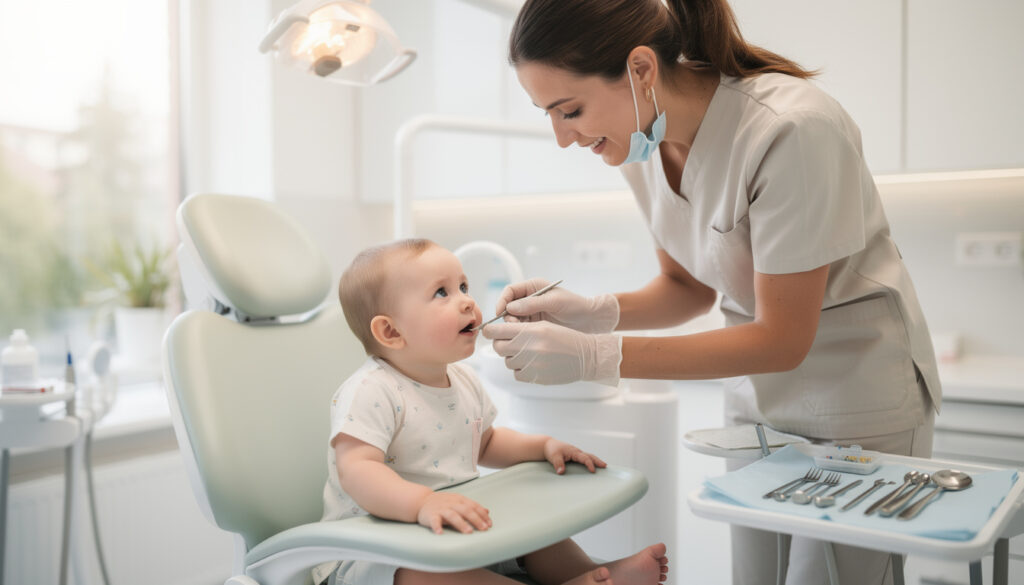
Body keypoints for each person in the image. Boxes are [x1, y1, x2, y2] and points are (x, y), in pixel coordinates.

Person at [482, 1, 941, 584]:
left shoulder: (791, 129)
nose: (562, 137)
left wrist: (593, 358)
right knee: (756, 575)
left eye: (568, 110)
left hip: (856, 399)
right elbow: (687, 289)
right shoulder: (642, 145)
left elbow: (782, 338)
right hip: (757, 400)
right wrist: (591, 315)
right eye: (548, 114)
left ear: (641, 70)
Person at [314, 237, 670, 585]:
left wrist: (542, 446)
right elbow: (357, 470)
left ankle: (588, 573)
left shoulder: (463, 379)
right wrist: (422, 503)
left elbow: (485, 444)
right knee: (421, 576)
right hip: (378, 550)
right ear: (391, 331)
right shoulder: (371, 390)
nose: (467, 301)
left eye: (463, 286)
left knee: (538, 532)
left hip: (456, 531)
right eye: (442, 292)